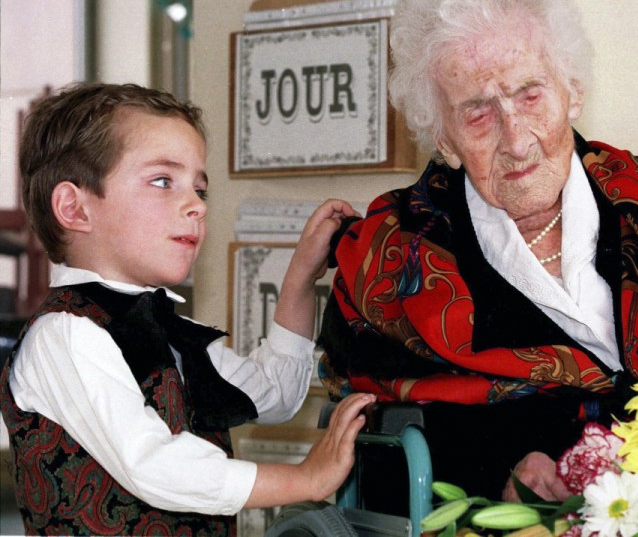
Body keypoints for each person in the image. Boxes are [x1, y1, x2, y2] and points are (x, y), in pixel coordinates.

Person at [317, 0, 638, 512]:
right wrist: (500, 474)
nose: (517, 139)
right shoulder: (391, 262)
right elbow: (374, 446)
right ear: (444, 139)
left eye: (530, 94)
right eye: (478, 110)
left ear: (572, 92)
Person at [0, 82, 374, 536]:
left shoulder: (173, 334)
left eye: (201, 189)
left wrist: (300, 277)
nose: (196, 205)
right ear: (74, 208)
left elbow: (275, 394)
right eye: (163, 181)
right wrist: (305, 478)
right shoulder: (64, 336)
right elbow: (156, 465)